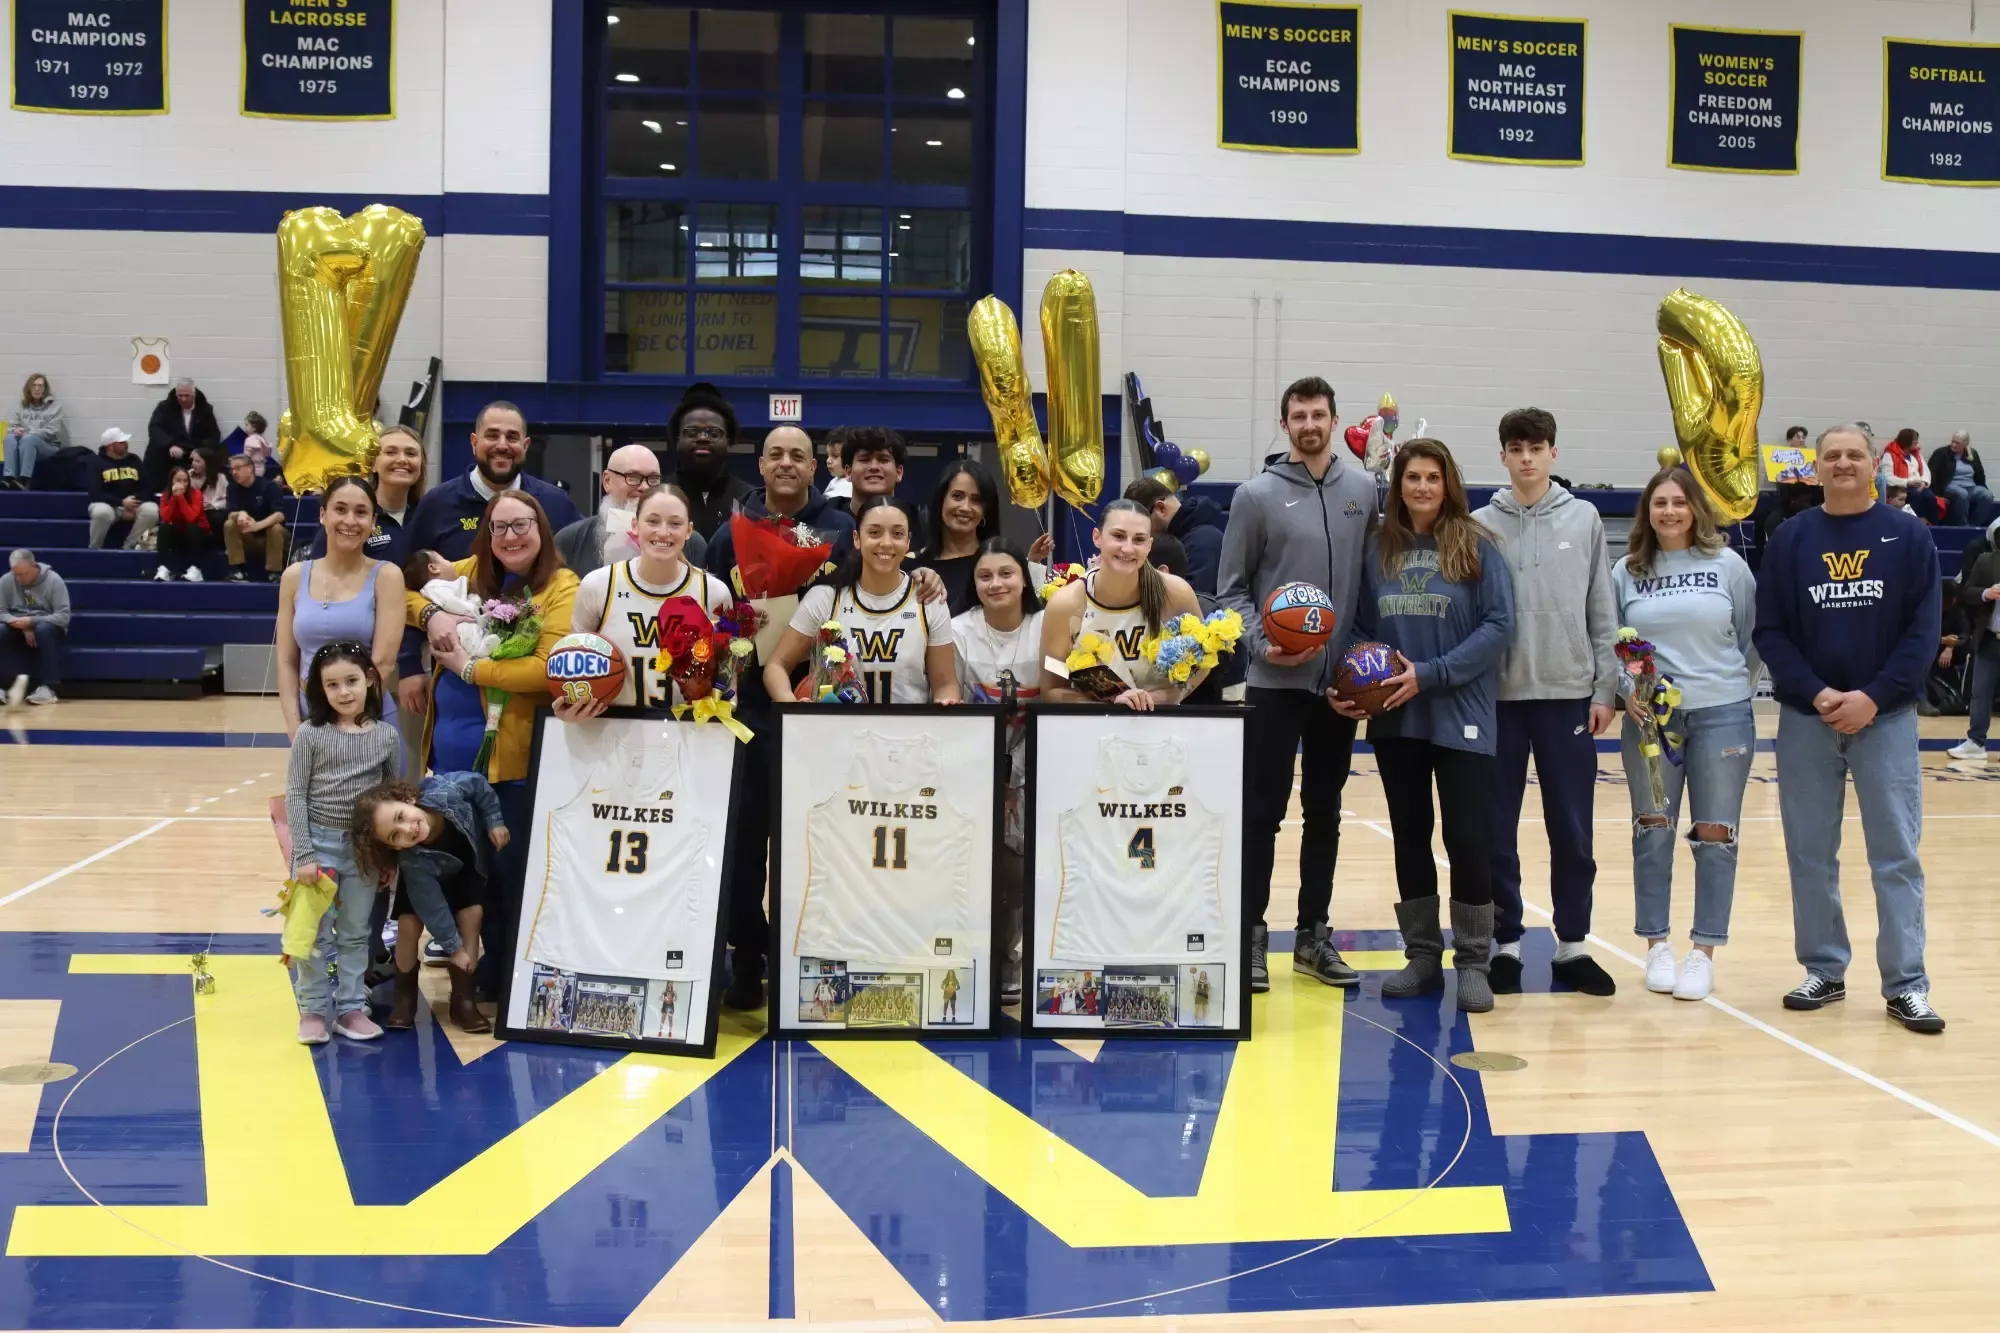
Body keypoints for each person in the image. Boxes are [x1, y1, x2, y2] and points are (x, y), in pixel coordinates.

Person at [1754, 424, 1944, 1034]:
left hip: (1885, 719)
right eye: (1831, 455)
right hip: (1807, 719)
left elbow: (1922, 632)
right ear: (1815, 467)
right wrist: (1817, 691)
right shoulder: (1791, 537)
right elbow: (1771, 631)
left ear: (1874, 465)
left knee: (1895, 856)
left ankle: (1906, 984)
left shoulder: (1909, 535)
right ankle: (1825, 969)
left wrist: (1872, 696)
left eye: (1853, 455)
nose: (1842, 463)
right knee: (1810, 853)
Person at [1331, 439, 1510, 1011]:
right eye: (1413, 478)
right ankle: (1423, 954)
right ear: (1398, 484)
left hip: (1462, 712)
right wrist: (1364, 676)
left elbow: (1500, 625)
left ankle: (1474, 960)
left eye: (1433, 478)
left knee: (1466, 836)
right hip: (1397, 714)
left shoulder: (1477, 544)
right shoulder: (1379, 548)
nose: (1423, 488)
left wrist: (1429, 674)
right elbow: (1359, 627)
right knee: (1410, 834)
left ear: (1448, 483)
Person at [1217, 375, 1377, 993]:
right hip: (1273, 684)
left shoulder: (1364, 489)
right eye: (1298, 415)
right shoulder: (1255, 496)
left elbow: (1368, 587)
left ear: (1334, 419)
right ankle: (1252, 935)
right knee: (1262, 813)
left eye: (1319, 414)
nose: (1309, 424)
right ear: (1284, 424)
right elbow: (1229, 592)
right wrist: (1264, 646)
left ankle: (1313, 934)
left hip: (1337, 687)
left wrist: (1356, 662)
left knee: (1326, 813)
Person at [700, 426, 860, 1013]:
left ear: (815, 465)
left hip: (819, 709)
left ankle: (812, 955)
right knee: (743, 842)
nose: (787, 463)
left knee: (815, 840)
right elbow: (710, 612)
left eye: (799, 455)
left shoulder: (840, 531)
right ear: (760, 465)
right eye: (776, 455)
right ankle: (747, 957)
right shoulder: (726, 534)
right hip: (744, 710)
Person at [1473, 407, 1620, 997]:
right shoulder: (1480, 522)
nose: (1527, 457)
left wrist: (1604, 686)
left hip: (1568, 697)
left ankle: (1574, 945)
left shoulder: (1583, 518)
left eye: (1537, 447)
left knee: (1572, 826)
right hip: (1499, 699)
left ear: (1553, 454)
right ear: (1503, 456)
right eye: (1516, 448)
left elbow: (1601, 610)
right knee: (1495, 828)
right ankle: (1506, 942)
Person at [409, 491, 579, 994]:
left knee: (509, 869)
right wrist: (432, 617)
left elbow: (550, 666)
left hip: (514, 757)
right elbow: (404, 589)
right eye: (500, 527)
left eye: (521, 525)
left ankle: (509, 970)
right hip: (451, 747)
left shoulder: (561, 585)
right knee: (466, 866)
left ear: (541, 528)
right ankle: (472, 966)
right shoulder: (472, 568)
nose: (511, 536)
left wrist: (471, 668)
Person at [1612, 468, 1760, 1002]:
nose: (1669, 511)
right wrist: (1625, 690)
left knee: (1716, 833)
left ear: (1695, 509)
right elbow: (1613, 641)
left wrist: (1725, 686)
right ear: (1646, 512)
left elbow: (1750, 637)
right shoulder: (1626, 571)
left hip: (1722, 713)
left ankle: (1704, 952)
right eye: (1659, 503)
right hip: (1651, 720)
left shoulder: (1728, 566)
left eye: (1678, 502)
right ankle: (1656, 944)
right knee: (1652, 827)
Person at [284, 643, 402, 1044]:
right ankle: (313, 1009)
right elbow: (295, 795)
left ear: (369, 679)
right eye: (332, 685)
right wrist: (304, 853)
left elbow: (392, 802)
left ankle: (351, 1007)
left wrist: (389, 857)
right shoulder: (310, 734)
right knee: (313, 935)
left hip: (364, 852)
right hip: (317, 848)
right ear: (320, 689)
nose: (344, 692)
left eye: (351, 681)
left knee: (354, 934)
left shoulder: (387, 737)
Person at [951, 537, 1045, 1002]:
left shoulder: (1048, 625)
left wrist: (1021, 774)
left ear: (1024, 577)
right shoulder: (957, 631)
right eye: (984, 576)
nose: (996, 583)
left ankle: (1018, 964)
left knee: (1023, 868)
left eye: (1006, 573)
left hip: (1036, 763)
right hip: (976, 766)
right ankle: (976, 959)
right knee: (974, 866)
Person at [763, 495, 959, 705]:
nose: (886, 543)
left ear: (908, 541)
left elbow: (946, 684)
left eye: (897, 534)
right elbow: (776, 666)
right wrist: (794, 708)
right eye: (874, 533)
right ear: (857, 538)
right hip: (838, 732)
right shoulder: (826, 597)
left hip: (908, 733)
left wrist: (947, 703)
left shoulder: (927, 598)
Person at [353, 773, 511, 1034]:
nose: (408, 829)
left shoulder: (445, 791)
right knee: (408, 925)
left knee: (472, 917)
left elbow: (478, 784)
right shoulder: (411, 860)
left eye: (401, 817)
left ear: (408, 799)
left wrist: (495, 821)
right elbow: (433, 907)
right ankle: (405, 999)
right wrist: (453, 948)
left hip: (465, 866)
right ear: (394, 847)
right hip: (427, 874)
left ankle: (463, 1000)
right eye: (395, 836)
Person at [569, 483, 733, 710]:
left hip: (687, 734)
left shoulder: (714, 592)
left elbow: (727, 683)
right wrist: (570, 708)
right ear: (635, 525)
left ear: (689, 531)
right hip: (610, 730)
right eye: (653, 521)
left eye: (675, 524)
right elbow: (572, 669)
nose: (663, 532)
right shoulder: (598, 586)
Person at [1039, 499, 1208, 710]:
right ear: (1097, 537)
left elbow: (1204, 662)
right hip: (1095, 728)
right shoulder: (1065, 605)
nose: (1127, 548)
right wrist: (1110, 705)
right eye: (1118, 536)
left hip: (1163, 726)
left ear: (1149, 546)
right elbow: (1052, 688)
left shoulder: (1175, 593)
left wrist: (1160, 699)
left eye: (1139, 540)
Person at [276, 476, 406, 742]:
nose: (350, 520)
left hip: (368, 720)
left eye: (361, 512)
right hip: (310, 721)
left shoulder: (388, 576)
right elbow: (287, 661)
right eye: (340, 509)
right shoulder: (293, 577)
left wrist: (347, 724)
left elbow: (383, 662)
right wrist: (293, 725)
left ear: (372, 523)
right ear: (323, 515)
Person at [405, 402, 579, 561]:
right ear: (474, 442)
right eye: (492, 435)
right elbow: (411, 577)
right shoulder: (436, 505)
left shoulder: (557, 505)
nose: (502, 445)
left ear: (525, 446)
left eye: (512, 437)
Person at [916, 458, 1053, 615]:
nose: (965, 507)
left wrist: (1028, 567)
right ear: (941, 502)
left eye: (976, 500)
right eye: (957, 496)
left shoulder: (999, 563)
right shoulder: (911, 565)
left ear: (986, 511)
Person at [557, 443, 707, 574]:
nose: (644, 487)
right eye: (633, 477)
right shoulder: (570, 540)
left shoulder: (691, 543)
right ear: (607, 481)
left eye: (653, 479)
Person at [1148, 534, 1240, 705]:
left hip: (1197, 716)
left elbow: (1219, 675)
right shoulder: (1133, 608)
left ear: (1162, 572)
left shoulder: (1212, 618)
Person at [1948, 520, 2000, 763]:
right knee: (1980, 692)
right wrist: (1986, 593)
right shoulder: (1986, 561)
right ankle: (1976, 742)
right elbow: (1966, 592)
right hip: (1990, 638)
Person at [670, 386, 751, 541]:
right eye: (692, 433)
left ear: (728, 441)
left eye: (713, 433)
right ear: (678, 440)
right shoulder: (658, 495)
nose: (702, 438)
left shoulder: (749, 500)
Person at [1123, 474, 1227, 595]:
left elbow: (1189, 602)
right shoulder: (1183, 537)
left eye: (1142, 523)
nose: (1142, 532)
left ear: (1161, 508)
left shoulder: (1203, 543)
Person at [1, 550, 68, 708]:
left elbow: (63, 616)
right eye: (16, 574)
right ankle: (2, 687)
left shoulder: (54, 580)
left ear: (34, 565)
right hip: (17, 624)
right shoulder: (5, 580)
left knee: (44, 630)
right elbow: (1, 611)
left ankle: (48, 689)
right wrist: (19, 624)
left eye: (24, 574)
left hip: (47, 624)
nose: (20, 579)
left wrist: (32, 622)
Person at [221, 451, 289, 581]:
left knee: (275, 528)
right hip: (249, 537)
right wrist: (240, 513)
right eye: (232, 469)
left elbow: (280, 514)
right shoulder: (232, 488)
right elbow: (231, 513)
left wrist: (257, 526)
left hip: (271, 537)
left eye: (238, 468)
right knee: (229, 524)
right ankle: (237, 569)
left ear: (250, 468)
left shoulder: (269, 486)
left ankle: (274, 572)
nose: (234, 472)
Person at [86, 428, 156, 551]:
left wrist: (134, 501)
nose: (126, 444)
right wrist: (121, 502)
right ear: (110, 446)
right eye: (122, 442)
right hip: (109, 505)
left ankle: (129, 547)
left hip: (134, 504)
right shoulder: (96, 462)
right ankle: (94, 549)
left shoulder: (134, 460)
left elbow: (148, 486)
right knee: (100, 512)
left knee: (151, 511)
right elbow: (95, 492)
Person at [144, 378, 222, 487]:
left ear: (194, 395)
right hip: (169, 454)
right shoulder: (164, 407)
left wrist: (200, 450)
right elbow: (154, 428)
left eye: (187, 396)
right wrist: (169, 445)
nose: (183, 399)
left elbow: (214, 434)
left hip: (192, 454)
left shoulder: (204, 410)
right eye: (180, 396)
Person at [830, 426, 908, 520]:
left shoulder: (914, 523)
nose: (874, 467)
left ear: (899, 472)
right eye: (864, 460)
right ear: (848, 471)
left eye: (883, 460)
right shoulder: (825, 519)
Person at [4, 374, 67, 486]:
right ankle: (9, 478)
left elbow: (51, 431)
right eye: (33, 385)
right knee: (9, 438)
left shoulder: (55, 407)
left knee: (29, 439)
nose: (37, 388)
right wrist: (15, 431)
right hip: (25, 443)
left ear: (45, 389)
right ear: (28, 388)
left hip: (49, 446)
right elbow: (11, 426)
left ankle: (25, 480)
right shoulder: (21, 406)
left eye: (40, 386)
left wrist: (28, 433)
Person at [153, 464, 211, 583]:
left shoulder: (196, 494)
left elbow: (191, 518)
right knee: (164, 528)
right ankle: (163, 568)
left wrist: (180, 498)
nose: (182, 484)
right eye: (178, 480)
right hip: (179, 535)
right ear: (171, 481)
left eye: (185, 480)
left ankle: (196, 570)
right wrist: (174, 498)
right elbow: (166, 517)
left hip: (199, 535)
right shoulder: (165, 495)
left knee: (192, 528)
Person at [1930, 430, 1994, 527]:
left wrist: (1983, 487)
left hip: (1970, 486)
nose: (1954, 445)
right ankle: (1962, 525)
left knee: (1987, 495)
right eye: (1952, 441)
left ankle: (1976, 525)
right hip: (1950, 486)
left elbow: (1980, 474)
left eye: (1957, 443)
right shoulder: (1941, 453)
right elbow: (1932, 473)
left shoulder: (1972, 454)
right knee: (1962, 494)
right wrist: (1937, 494)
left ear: (1965, 444)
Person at [1878, 428, 1938, 524]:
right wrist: (1908, 483)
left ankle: (1933, 526)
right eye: (1915, 441)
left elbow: (1926, 471)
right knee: (1915, 495)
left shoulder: (1916, 454)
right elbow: (1888, 478)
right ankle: (1915, 523)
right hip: (1901, 486)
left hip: (1919, 485)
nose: (1917, 443)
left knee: (1930, 497)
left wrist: (1924, 482)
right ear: (1907, 442)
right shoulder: (1890, 454)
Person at [189, 447, 229, 535]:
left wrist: (214, 505)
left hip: (214, 511)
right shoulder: (189, 476)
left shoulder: (220, 478)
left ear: (207, 463)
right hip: (196, 511)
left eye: (197, 461)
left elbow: (226, 499)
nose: (193, 464)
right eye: (193, 460)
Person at [823, 429, 853, 502]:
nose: (828, 461)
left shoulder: (850, 486)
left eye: (835, 456)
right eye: (828, 455)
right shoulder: (835, 480)